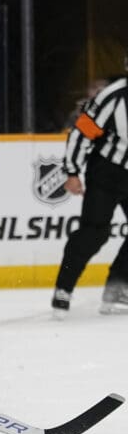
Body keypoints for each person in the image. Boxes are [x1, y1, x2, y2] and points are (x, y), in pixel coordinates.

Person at [52, 51, 128, 317]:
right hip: (107, 171)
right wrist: (72, 171)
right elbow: (82, 133)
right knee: (94, 232)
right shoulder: (114, 96)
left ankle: (117, 289)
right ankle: (64, 289)